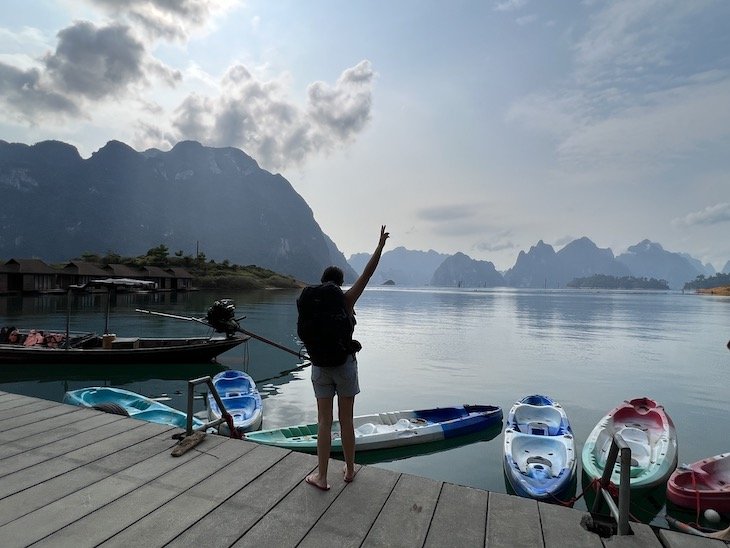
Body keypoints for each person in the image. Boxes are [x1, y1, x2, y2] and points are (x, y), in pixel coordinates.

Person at [305, 225, 389, 491]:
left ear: (322, 281)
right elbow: (367, 274)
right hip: (345, 365)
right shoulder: (346, 299)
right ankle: (350, 470)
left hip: (319, 366)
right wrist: (379, 247)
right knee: (347, 421)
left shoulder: (311, 302)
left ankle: (322, 477)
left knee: (323, 423)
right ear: (339, 283)